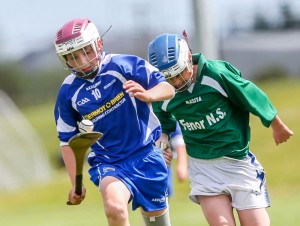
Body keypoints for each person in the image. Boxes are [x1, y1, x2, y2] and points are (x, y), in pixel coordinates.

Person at [147, 33, 294, 226]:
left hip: (238, 163)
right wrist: (164, 144)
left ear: (188, 57)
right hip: (203, 168)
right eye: (169, 77)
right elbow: (163, 122)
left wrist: (276, 124)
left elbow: (250, 94)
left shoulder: (215, 74)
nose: (176, 82)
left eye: (179, 73)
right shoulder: (166, 91)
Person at [53, 18, 175, 226]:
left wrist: (148, 95)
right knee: (115, 207)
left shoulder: (124, 65)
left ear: (98, 44)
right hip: (109, 163)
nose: (81, 61)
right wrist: (76, 183)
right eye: (72, 57)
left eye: (86, 51)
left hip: (147, 154)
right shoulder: (67, 92)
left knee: (157, 221)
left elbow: (167, 88)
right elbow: (67, 141)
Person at [166, 122, 188, 198]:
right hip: (133, 164)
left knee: (160, 203)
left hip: (161, 167)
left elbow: (177, 139)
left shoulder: (161, 112)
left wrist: (182, 164)